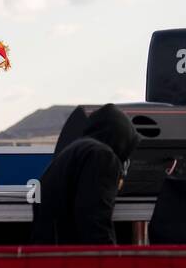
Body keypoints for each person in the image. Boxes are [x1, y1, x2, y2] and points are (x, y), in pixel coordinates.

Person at [30, 104, 139, 244]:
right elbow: (94, 217)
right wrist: (110, 259)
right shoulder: (102, 156)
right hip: (73, 256)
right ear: (122, 138)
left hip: (52, 251)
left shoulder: (77, 150)